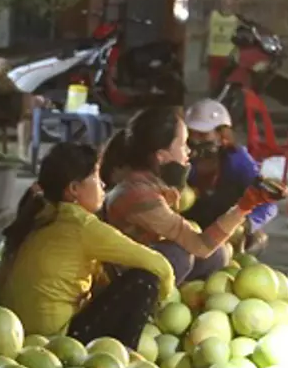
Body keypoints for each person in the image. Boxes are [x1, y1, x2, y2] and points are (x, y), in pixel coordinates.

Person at [0, 142, 176, 344]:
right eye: (97, 177)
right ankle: (124, 357)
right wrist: (162, 307)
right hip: (58, 343)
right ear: (74, 188)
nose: (103, 185)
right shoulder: (80, 225)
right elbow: (160, 266)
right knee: (144, 281)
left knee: (107, 270)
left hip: (13, 336)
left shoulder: (38, 213)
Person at [102, 108, 277, 283]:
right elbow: (200, 246)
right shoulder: (138, 195)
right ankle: (151, 305)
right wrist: (244, 206)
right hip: (117, 276)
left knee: (216, 255)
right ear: (162, 156)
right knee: (178, 255)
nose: (189, 151)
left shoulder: (236, 158)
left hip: (139, 259)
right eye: (184, 144)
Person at [183, 98, 277, 253]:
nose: (194, 140)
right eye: (191, 134)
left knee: (257, 239)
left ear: (221, 135)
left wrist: (247, 223)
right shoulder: (180, 158)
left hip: (226, 228)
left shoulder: (237, 160)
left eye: (202, 135)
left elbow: (267, 203)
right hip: (188, 228)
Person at [205, 0, 242, 92]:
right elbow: (207, 35)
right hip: (214, 55)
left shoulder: (237, 19)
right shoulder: (213, 16)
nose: (226, 0)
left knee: (228, 89)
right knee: (214, 87)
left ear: (235, 0)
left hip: (229, 58)